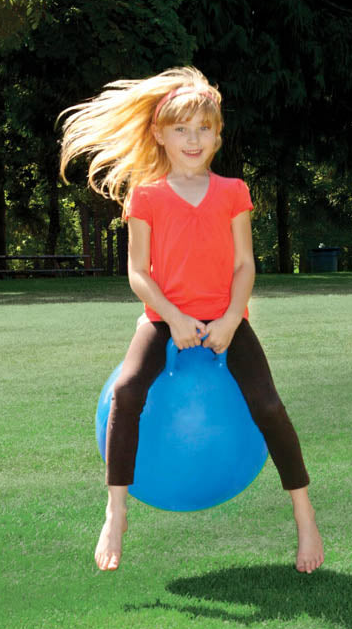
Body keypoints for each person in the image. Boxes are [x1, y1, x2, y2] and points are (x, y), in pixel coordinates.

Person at [59, 66, 324, 574]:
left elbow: (245, 264)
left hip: (227, 320)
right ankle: (115, 512)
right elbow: (138, 273)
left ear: (218, 135)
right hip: (163, 321)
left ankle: (305, 517)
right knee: (128, 392)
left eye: (205, 128)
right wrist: (174, 319)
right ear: (159, 134)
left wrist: (228, 321)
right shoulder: (147, 196)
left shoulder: (232, 191)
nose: (193, 138)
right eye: (181, 128)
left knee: (268, 405)